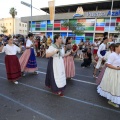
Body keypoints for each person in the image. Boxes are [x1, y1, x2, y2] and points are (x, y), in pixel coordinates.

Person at [97, 43, 120, 108]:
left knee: (117, 86)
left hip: (117, 72)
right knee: (113, 86)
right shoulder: (113, 55)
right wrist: (116, 68)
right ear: (116, 47)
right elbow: (107, 64)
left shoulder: (119, 55)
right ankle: (111, 100)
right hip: (113, 72)